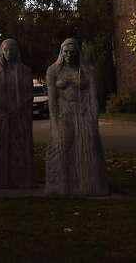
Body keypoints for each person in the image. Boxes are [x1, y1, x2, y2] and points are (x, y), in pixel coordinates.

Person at [44, 38, 110, 196]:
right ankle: (61, 186)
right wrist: (55, 124)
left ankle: (89, 185)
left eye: (72, 52)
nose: (69, 55)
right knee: (62, 148)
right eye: (65, 51)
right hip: (63, 112)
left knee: (88, 147)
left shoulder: (88, 70)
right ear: (61, 52)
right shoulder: (53, 71)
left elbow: (94, 97)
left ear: (78, 52)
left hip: (83, 111)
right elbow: (52, 101)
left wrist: (94, 118)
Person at [0, 39, 34, 188]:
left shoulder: (25, 71)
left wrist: (19, 108)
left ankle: (23, 180)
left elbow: (28, 93)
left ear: (17, 52)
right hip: (3, 117)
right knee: (2, 148)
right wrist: (9, 109)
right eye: (6, 50)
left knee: (20, 148)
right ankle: (0, 180)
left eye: (12, 50)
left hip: (20, 117)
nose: (9, 53)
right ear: (1, 51)